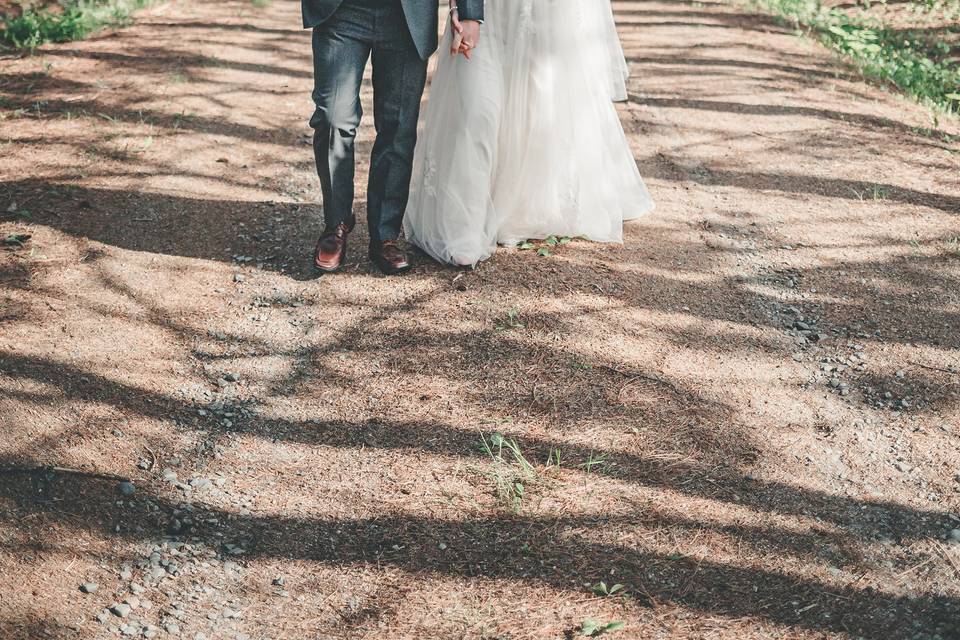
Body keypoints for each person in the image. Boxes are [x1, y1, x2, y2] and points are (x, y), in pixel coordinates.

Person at [404, 0, 655, 266]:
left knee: (536, 97)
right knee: (475, 109)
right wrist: (462, 10)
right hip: (480, 9)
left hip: (542, 11)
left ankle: (516, 202)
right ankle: (463, 228)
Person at [302, 0, 483, 274]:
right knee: (332, 119)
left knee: (398, 127)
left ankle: (384, 234)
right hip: (342, 12)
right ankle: (336, 223)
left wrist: (469, 12)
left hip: (407, 14)